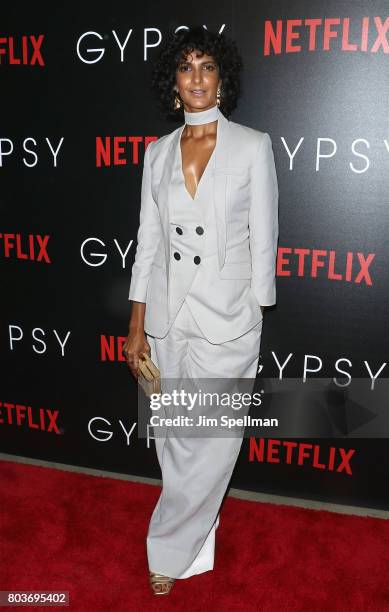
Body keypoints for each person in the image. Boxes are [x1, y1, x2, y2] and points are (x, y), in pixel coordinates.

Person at [123, 26, 279, 596]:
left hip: (227, 317)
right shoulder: (156, 153)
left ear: (222, 79)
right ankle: (194, 535)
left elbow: (265, 237)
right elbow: (148, 241)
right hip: (167, 319)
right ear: (174, 83)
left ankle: (167, 547)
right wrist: (137, 320)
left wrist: (256, 312)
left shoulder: (252, 145)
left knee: (212, 440)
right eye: (185, 67)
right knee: (172, 435)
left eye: (207, 66)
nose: (196, 77)